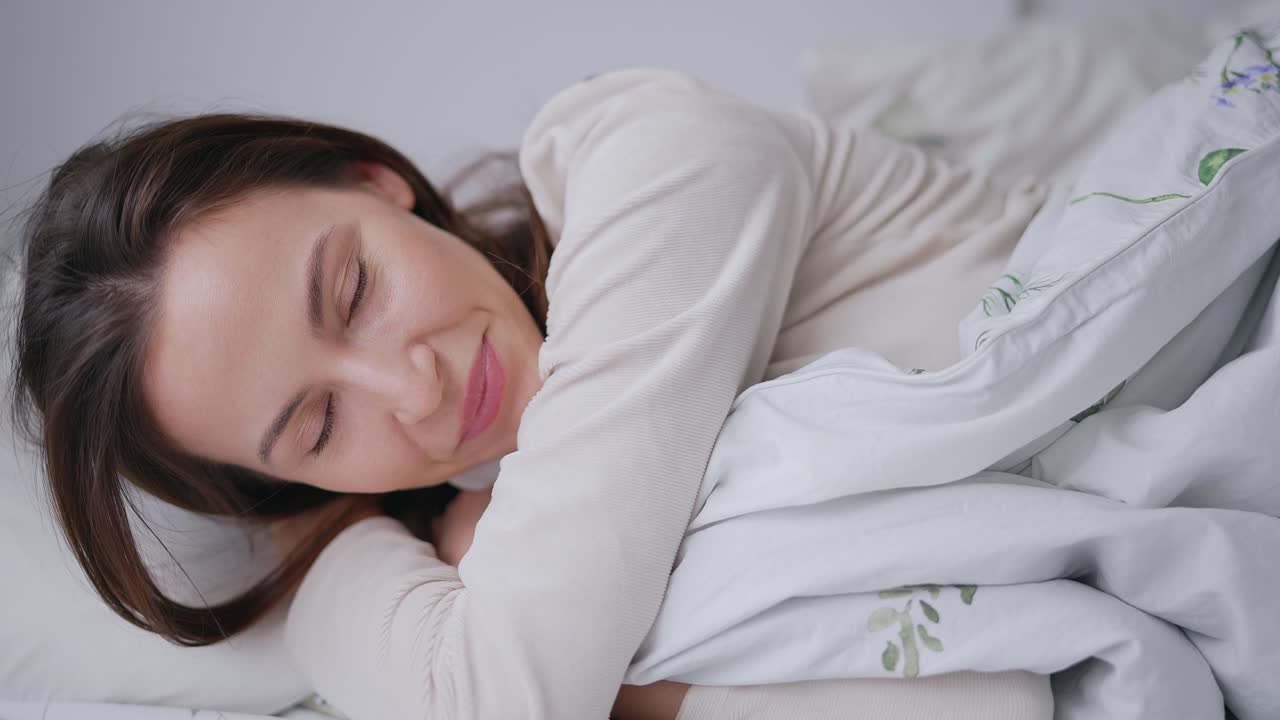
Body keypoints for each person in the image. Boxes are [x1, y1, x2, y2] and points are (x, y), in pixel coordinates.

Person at [11, 67, 1054, 719]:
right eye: (320, 426)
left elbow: (503, 703)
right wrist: (346, 550)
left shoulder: (654, 155)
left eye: (355, 290)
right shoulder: (465, 538)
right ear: (285, 490)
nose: (411, 388)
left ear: (376, 180)